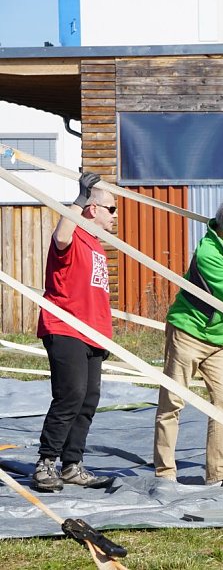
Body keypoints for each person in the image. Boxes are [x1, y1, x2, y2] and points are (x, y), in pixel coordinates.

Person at [153, 196, 223, 490]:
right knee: (172, 402)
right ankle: (165, 474)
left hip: (222, 341)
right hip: (189, 333)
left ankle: (218, 475)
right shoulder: (209, 254)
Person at [31, 172, 116, 492]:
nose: (114, 216)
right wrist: (80, 197)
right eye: (111, 209)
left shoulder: (96, 244)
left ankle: (72, 464)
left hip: (94, 333)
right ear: (93, 210)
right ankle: (45, 463)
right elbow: (62, 236)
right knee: (70, 395)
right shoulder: (74, 234)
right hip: (66, 327)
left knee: (88, 400)